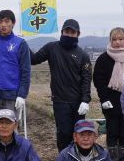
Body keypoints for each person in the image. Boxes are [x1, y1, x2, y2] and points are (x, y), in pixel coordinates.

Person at [30, 18, 92, 152]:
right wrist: (22, 44)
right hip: (60, 100)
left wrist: (85, 101)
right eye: (67, 31)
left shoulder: (83, 55)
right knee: (63, 133)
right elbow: (33, 59)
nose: (69, 35)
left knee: (79, 134)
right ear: (62, 32)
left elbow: (86, 79)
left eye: (73, 32)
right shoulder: (52, 48)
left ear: (78, 34)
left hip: (78, 102)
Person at [93, 27, 124, 161]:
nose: (118, 42)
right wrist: (104, 99)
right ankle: (113, 158)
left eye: (121, 39)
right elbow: (99, 79)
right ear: (110, 40)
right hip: (111, 100)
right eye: (114, 39)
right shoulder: (104, 58)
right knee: (112, 129)